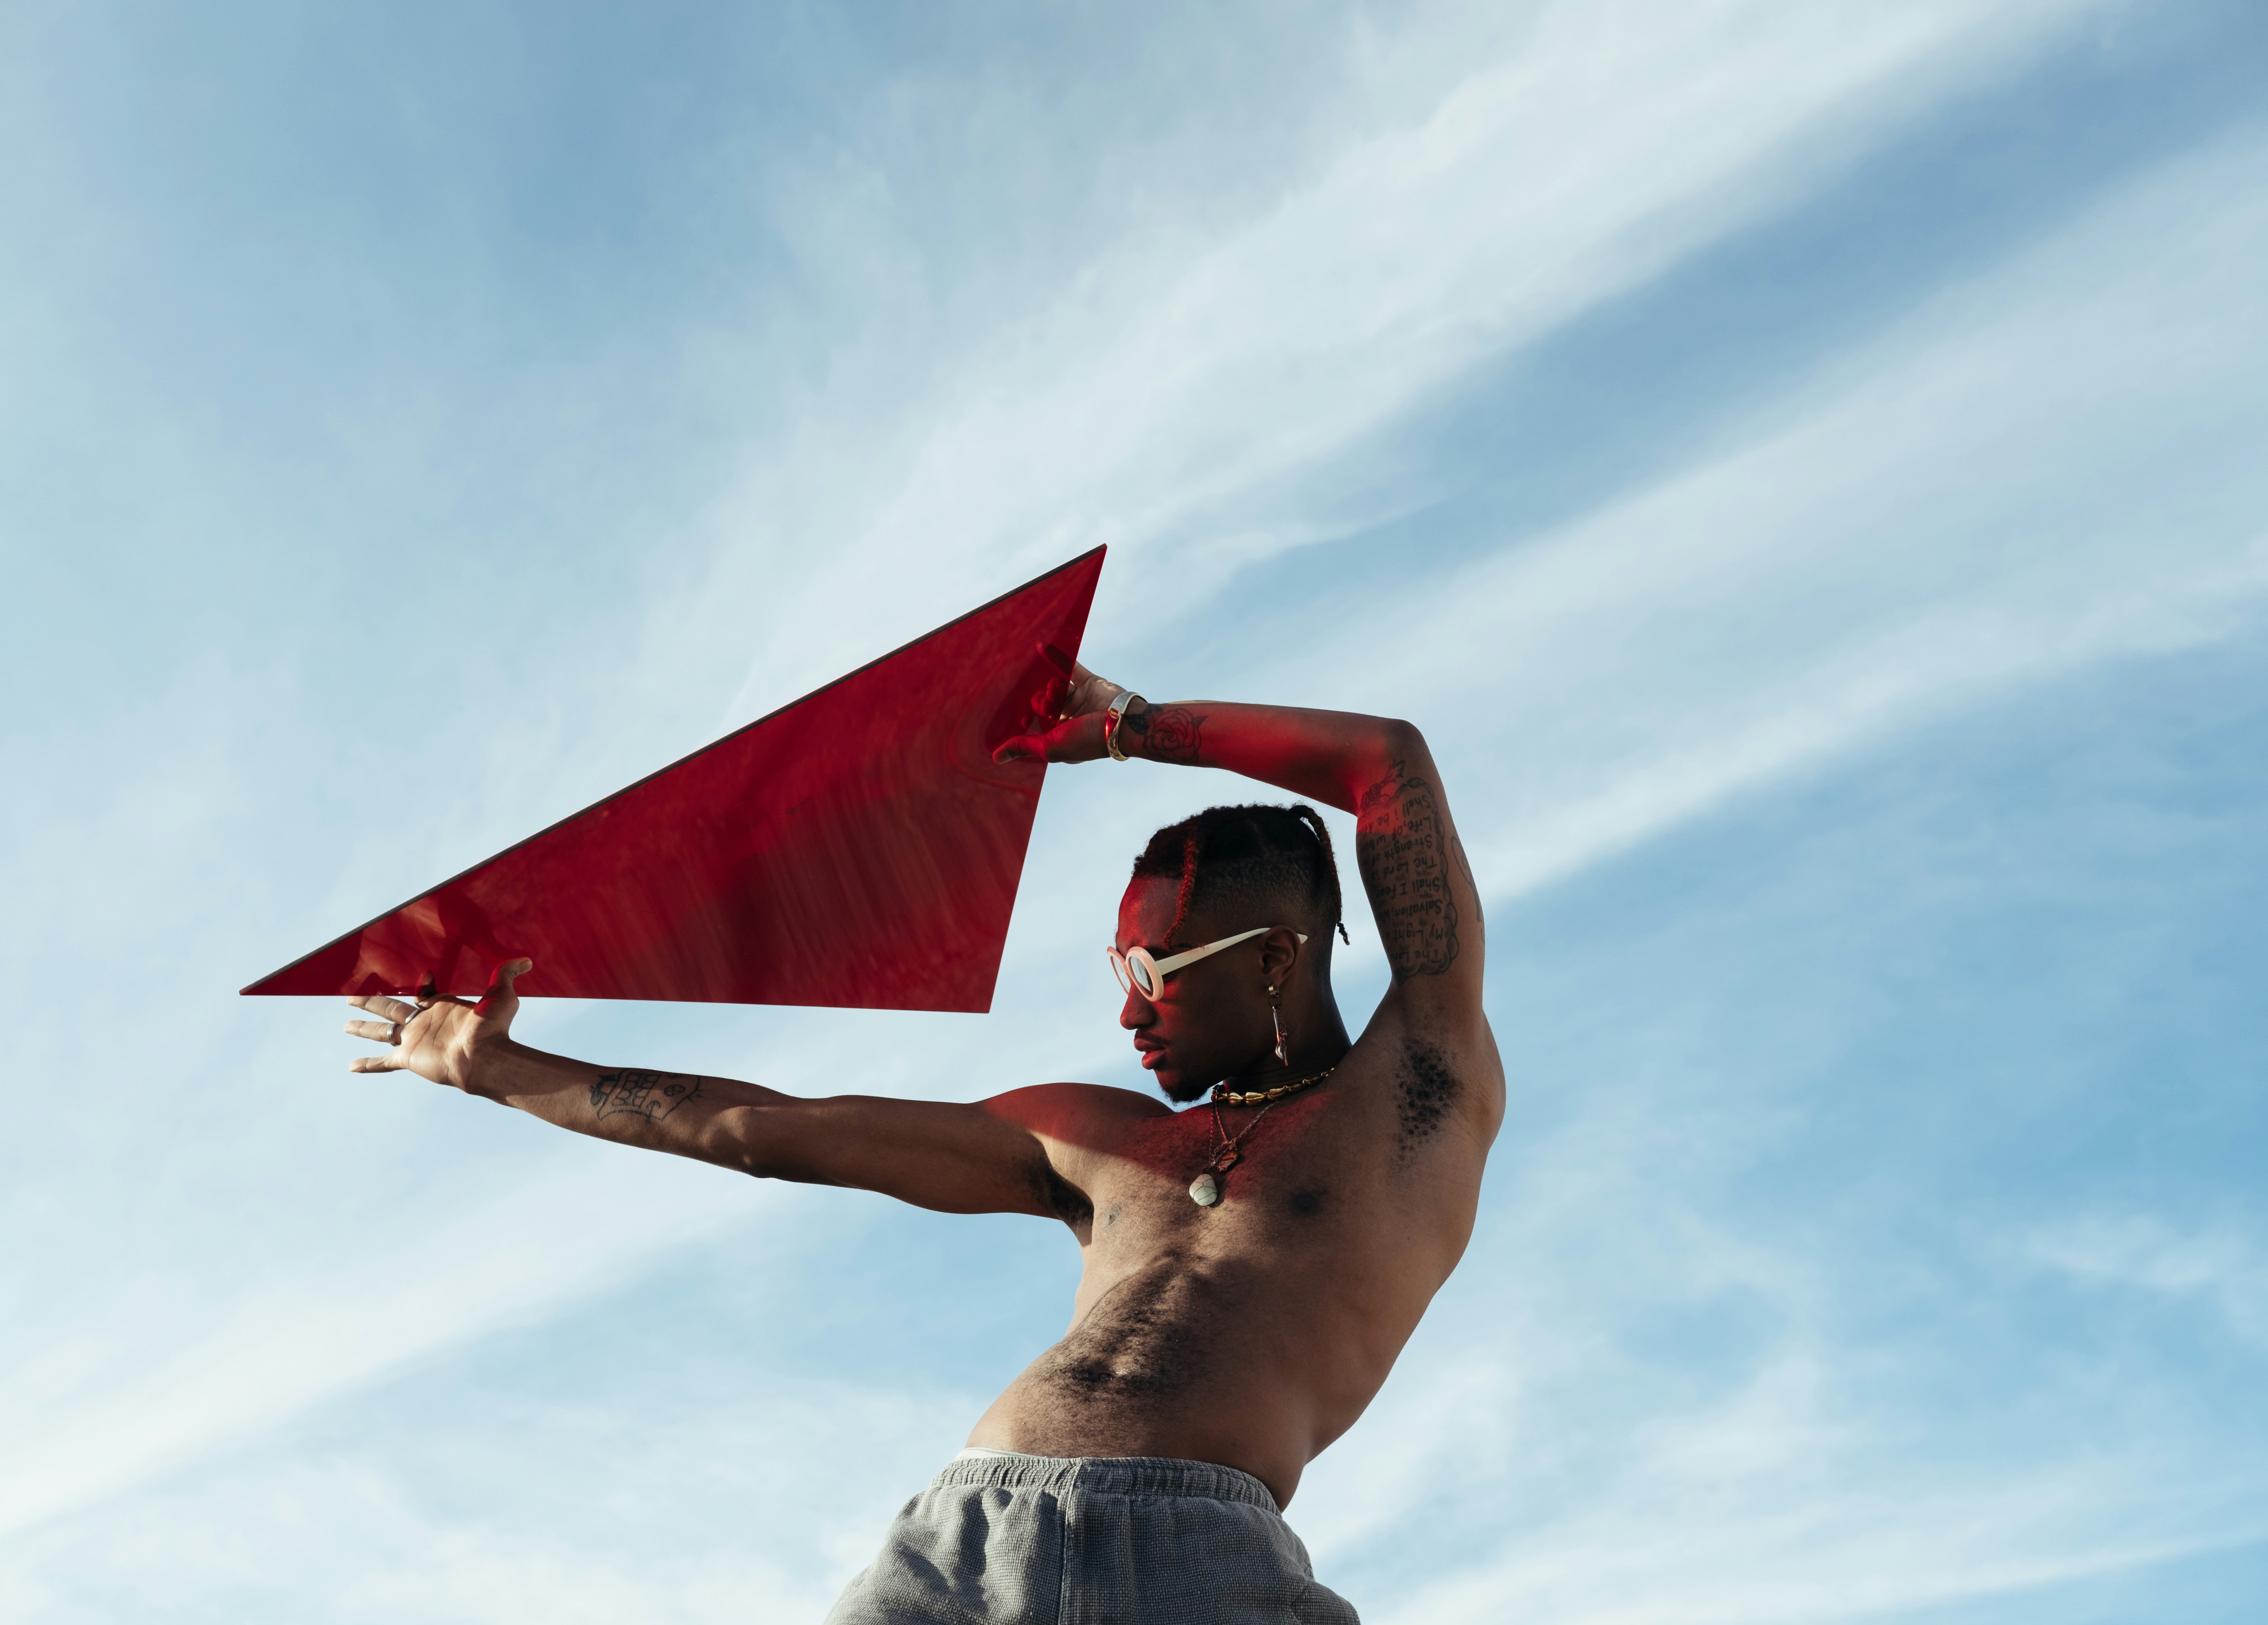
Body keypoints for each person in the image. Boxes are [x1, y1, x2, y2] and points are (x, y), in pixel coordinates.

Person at [342, 660, 1505, 1623]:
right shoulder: (1099, 1143)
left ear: (1273, 960)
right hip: (958, 1552)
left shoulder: (1414, 1095)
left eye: (1153, 974)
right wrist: (495, 1069)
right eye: (1119, 975)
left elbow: (1384, 764)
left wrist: (1129, 732)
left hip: (1204, 1569)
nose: (1128, 1011)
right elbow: (770, 1132)